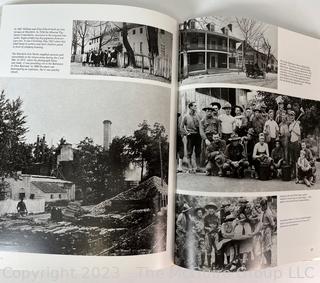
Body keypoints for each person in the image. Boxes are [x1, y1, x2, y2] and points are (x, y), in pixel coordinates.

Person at [180, 102, 202, 173]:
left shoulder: (198, 116)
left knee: (198, 152)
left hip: (198, 136)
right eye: (194, 106)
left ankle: (198, 167)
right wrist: (187, 133)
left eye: (196, 106)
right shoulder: (186, 116)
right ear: (190, 107)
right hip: (190, 136)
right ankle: (190, 168)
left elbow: (201, 125)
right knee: (189, 152)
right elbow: (181, 127)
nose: (196, 107)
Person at [204, 202, 219, 270]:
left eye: (212, 208)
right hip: (208, 234)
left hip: (215, 234)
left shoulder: (217, 217)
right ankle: (209, 264)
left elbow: (219, 225)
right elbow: (203, 226)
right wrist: (208, 228)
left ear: (214, 209)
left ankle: (216, 263)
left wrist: (216, 229)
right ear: (208, 209)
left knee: (217, 248)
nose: (211, 210)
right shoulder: (205, 217)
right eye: (210, 208)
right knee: (208, 249)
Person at [260, 199, 275, 267]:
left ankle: (269, 263)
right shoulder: (265, 211)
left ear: (265, 205)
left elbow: (272, 224)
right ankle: (268, 262)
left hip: (268, 230)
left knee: (267, 247)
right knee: (264, 247)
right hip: (265, 230)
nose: (262, 207)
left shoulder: (268, 213)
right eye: (261, 206)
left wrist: (271, 233)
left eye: (263, 206)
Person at [288, 110, 301, 178]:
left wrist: (293, 130)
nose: (291, 117)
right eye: (290, 116)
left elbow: (299, 134)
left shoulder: (297, 124)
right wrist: (290, 131)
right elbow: (289, 134)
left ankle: (297, 174)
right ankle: (293, 174)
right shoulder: (290, 125)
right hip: (291, 142)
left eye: (292, 115)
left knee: (296, 159)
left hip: (296, 142)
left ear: (294, 116)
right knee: (292, 159)